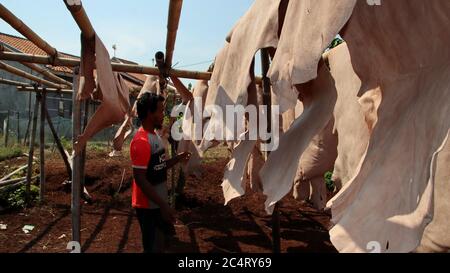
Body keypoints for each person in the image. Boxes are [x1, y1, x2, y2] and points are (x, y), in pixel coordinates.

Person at [130, 92, 191, 253]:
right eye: (160, 111)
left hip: (156, 204)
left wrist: (178, 158)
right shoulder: (141, 141)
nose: (163, 114)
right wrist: (164, 205)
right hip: (147, 207)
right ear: (150, 113)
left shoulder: (154, 137)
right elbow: (140, 179)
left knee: (161, 245)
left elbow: (159, 166)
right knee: (153, 248)